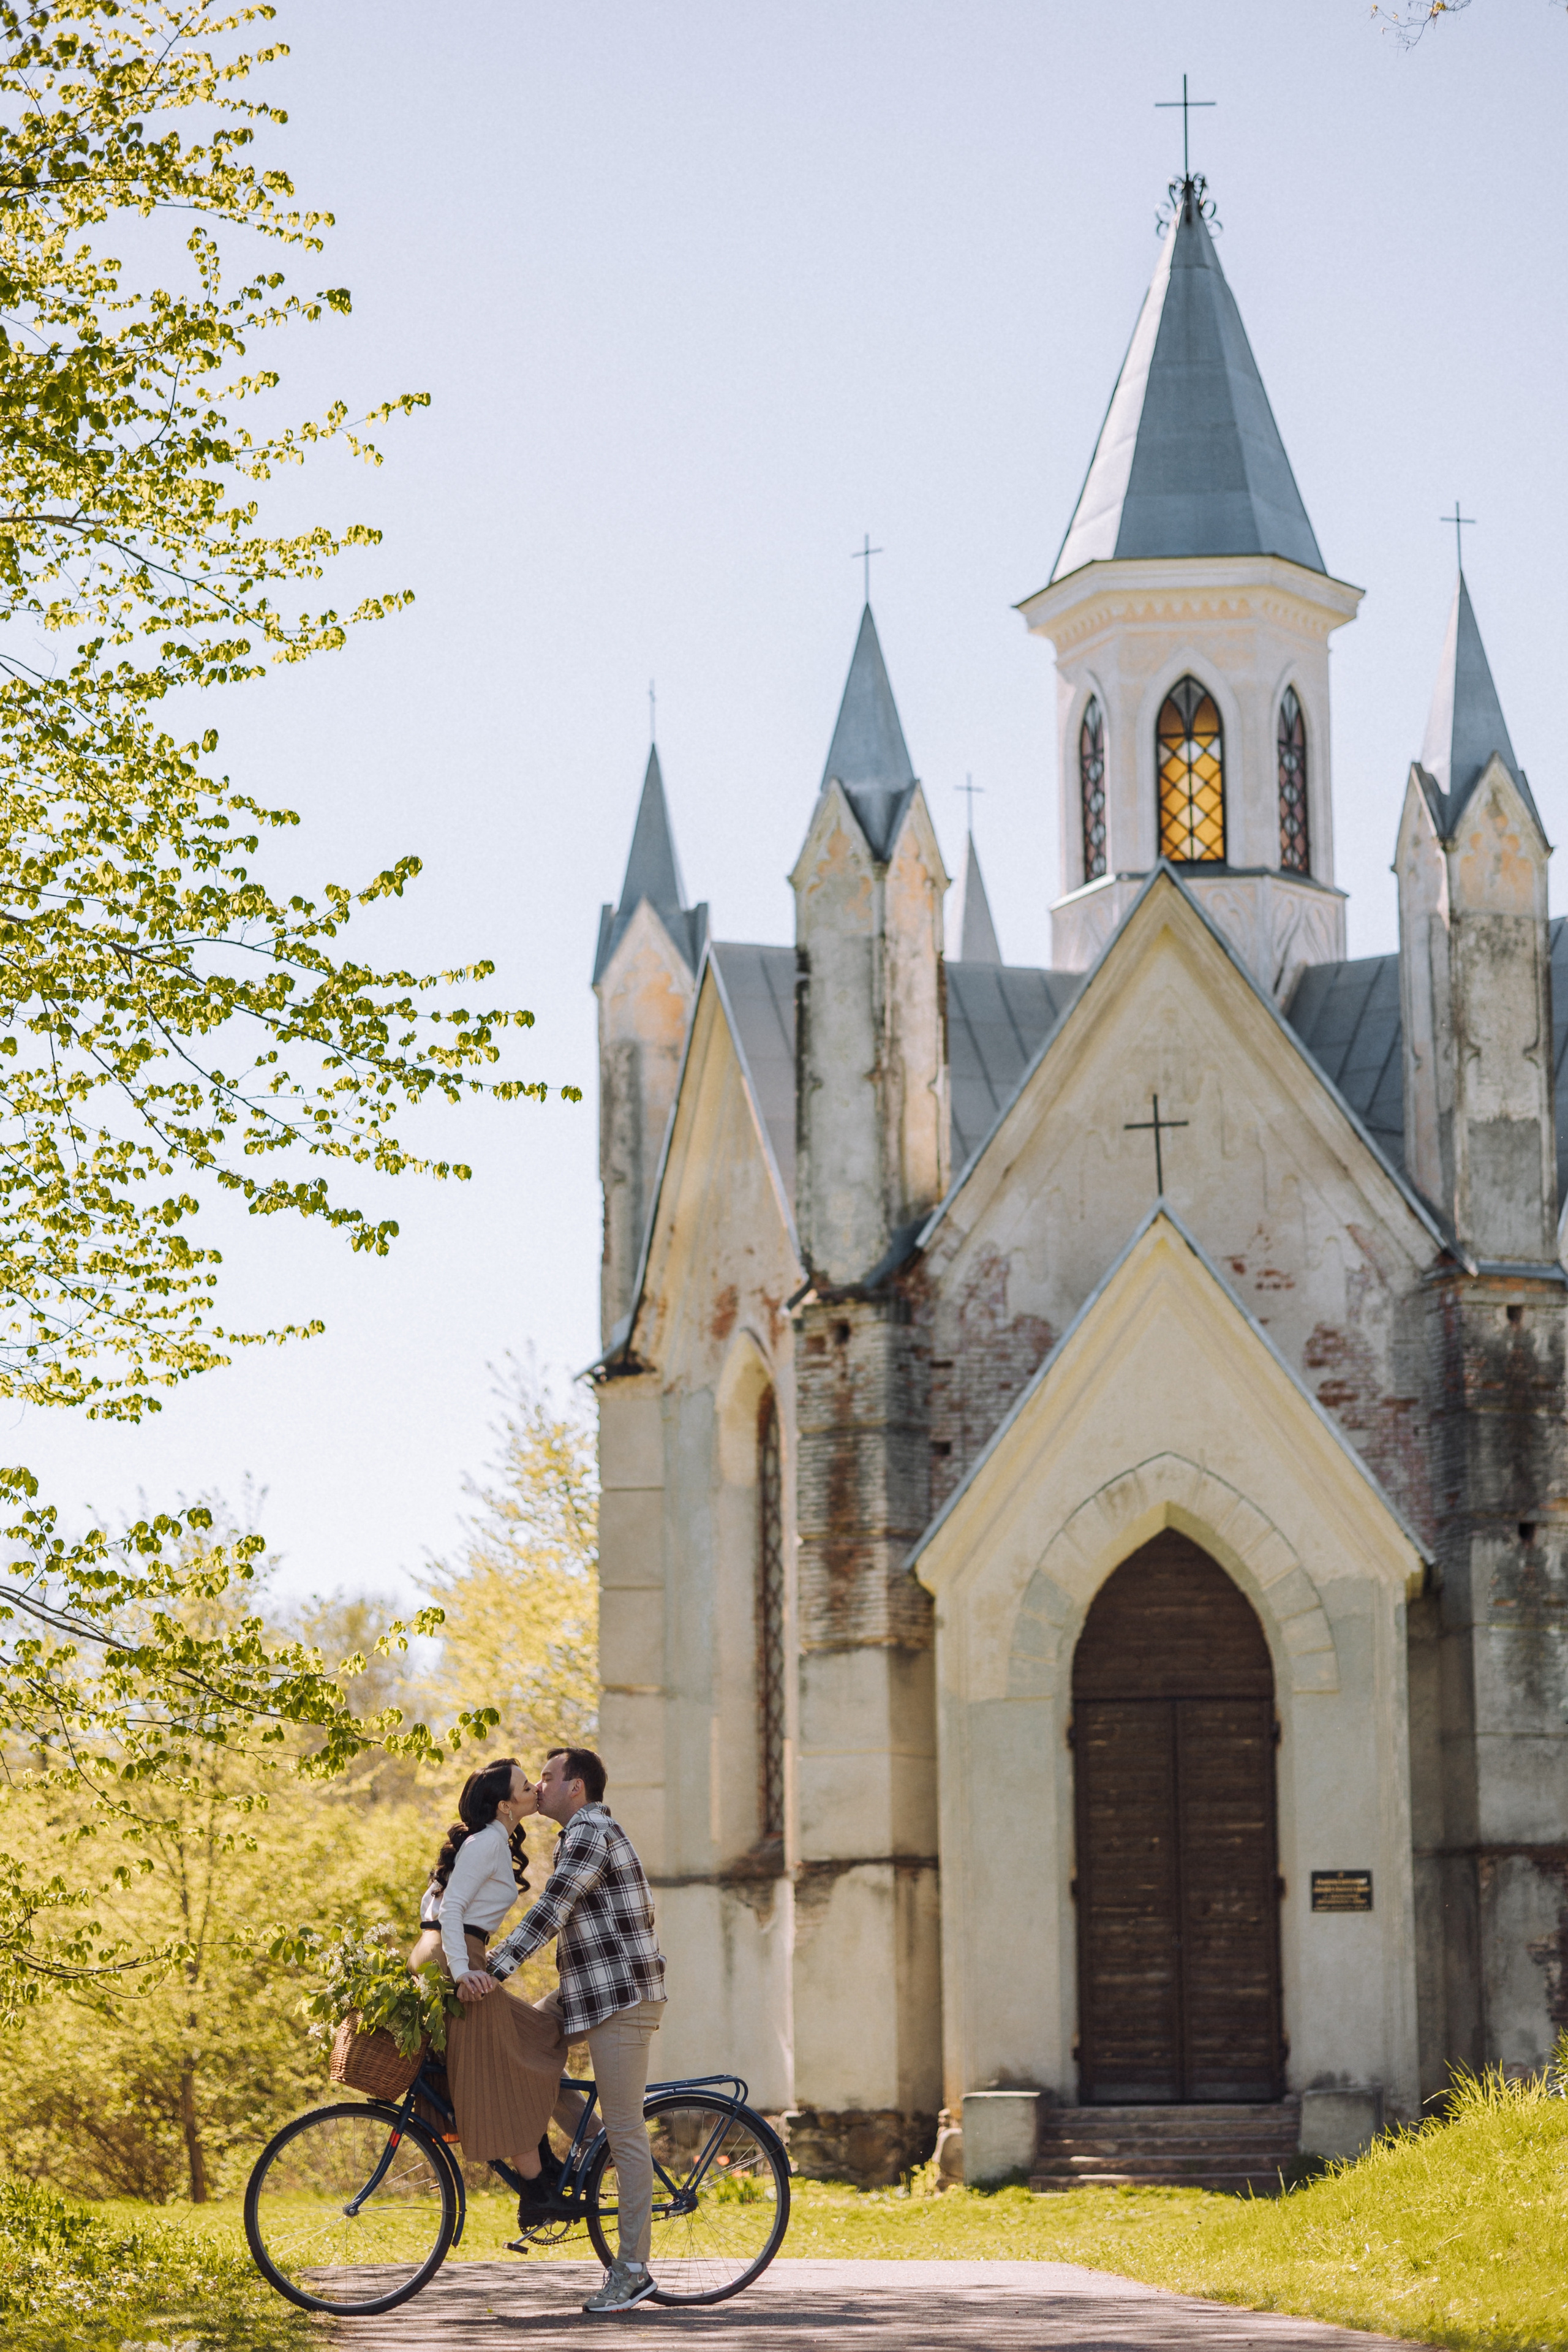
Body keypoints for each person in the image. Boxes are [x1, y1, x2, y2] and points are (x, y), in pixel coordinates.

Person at [489, 1746, 667, 2317]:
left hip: (621, 1997)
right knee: (523, 2046)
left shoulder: (592, 1831)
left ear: (577, 1789)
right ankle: (595, 2150)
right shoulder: (577, 1834)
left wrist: (491, 1968)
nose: (538, 1787)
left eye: (548, 1778)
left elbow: (552, 1909)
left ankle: (633, 2270)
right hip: (587, 1992)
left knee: (628, 2129)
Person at [407, 1757, 567, 2199]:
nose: (535, 1787)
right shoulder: (487, 1842)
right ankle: (539, 2192)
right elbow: (452, 1910)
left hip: (449, 1953)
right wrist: (461, 1971)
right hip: (456, 1956)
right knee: (504, 2065)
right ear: (504, 1805)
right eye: (524, 1785)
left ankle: (546, 2167)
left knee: (536, 2035)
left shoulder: (488, 1840)